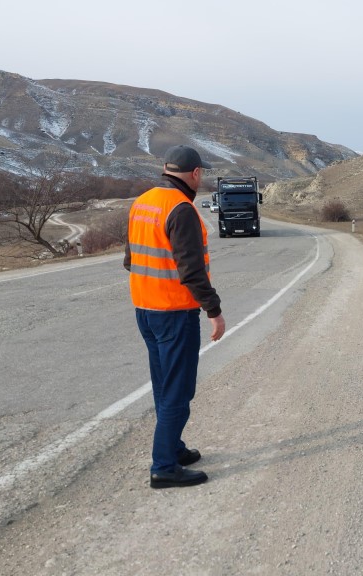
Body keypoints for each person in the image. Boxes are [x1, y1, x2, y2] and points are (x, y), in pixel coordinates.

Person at [124, 145, 227, 489]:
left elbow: (130, 260)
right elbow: (192, 271)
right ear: (196, 174)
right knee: (178, 392)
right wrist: (214, 312)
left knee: (164, 386)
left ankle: (175, 448)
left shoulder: (143, 202)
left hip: (146, 311)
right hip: (173, 313)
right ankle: (164, 466)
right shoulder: (181, 209)